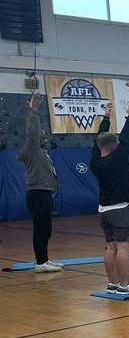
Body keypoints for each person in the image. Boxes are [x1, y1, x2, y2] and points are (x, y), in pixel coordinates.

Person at [91, 101, 129, 294]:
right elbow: (127, 138)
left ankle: (113, 283)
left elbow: (96, 141)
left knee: (110, 247)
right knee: (123, 248)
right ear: (114, 146)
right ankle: (124, 285)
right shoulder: (118, 157)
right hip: (121, 209)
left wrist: (106, 118)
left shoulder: (95, 161)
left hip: (104, 210)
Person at [18, 91, 61, 272]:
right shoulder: (33, 149)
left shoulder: (42, 154)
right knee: (41, 229)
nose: (44, 136)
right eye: (41, 134)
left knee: (46, 229)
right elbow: (33, 131)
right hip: (38, 194)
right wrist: (34, 111)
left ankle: (44, 259)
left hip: (44, 194)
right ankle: (40, 262)